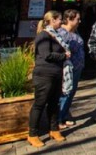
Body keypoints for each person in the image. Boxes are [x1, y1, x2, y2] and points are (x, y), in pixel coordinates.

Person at [27, 11, 70, 148]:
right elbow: (46, 55)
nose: (61, 21)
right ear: (52, 20)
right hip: (44, 74)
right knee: (40, 103)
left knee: (54, 103)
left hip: (56, 73)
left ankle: (54, 129)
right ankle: (32, 134)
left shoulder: (56, 35)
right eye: (60, 19)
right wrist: (64, 56)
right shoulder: (44, 35)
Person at [58, 9, 85, 129]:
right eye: (77, 19)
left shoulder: (75, 31)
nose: (79, 21)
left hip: (77, 67)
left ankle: (64, 116)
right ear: (69, 19)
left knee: (71, 92)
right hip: (67, 68)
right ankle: (58, 119)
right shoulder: (61, 33)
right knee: (65, 93)